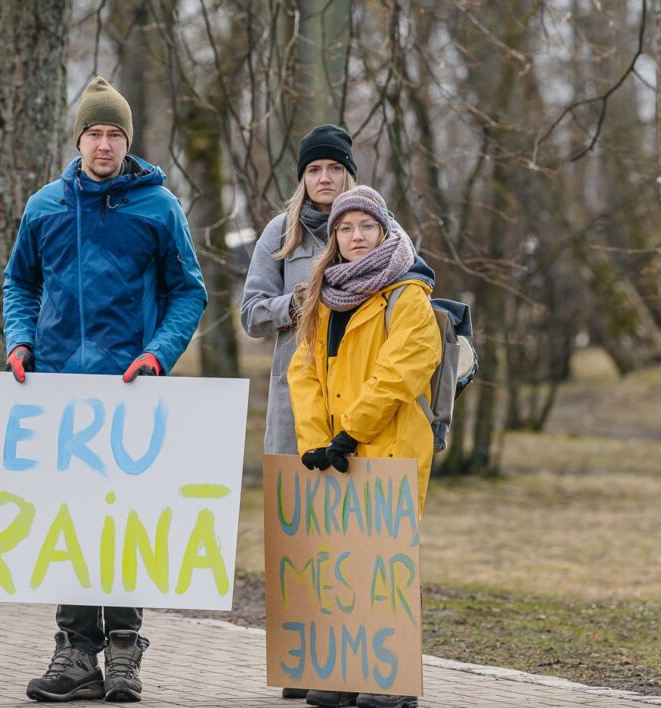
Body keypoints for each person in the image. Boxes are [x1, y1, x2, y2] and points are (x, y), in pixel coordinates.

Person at [2, 76, 207, 703]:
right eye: (95, 132)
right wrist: (21, 341)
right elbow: (20, 284)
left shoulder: (158, 207)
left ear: (127, 143)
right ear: (79, 139)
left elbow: (188, 290)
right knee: (70, 520)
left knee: (119, 523)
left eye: (115, 134)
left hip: (129, 391)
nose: (104, 144)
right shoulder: (45, 207)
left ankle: (123, 651)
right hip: (59, 392)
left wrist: (157, 354)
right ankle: (74, 652)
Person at [287, 186, 440, 708]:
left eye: (366, 227)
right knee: (341, 561)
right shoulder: (324, 294)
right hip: (335, 451)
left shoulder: (408, 292)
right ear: (334, 237)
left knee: (386, 563)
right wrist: (316, 442)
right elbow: (303, 371)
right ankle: (349, 668)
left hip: (388, 446)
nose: (356, 237)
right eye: (346, 228)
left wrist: (350, 432)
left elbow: (400, 373)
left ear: (384, 230)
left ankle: (391, 676)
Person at [239, 124, 357, 702]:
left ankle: (348, 657)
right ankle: (300, 659)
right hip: (295, 401)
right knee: (298, 531)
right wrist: (302, 302)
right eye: (315, 169)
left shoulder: (371, 229)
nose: (325, 178)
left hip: (359, 402)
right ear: (303, 177)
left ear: (349, 175)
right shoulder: (278, 236)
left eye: (334, 168)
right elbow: (251, 315)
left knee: (348, 527)